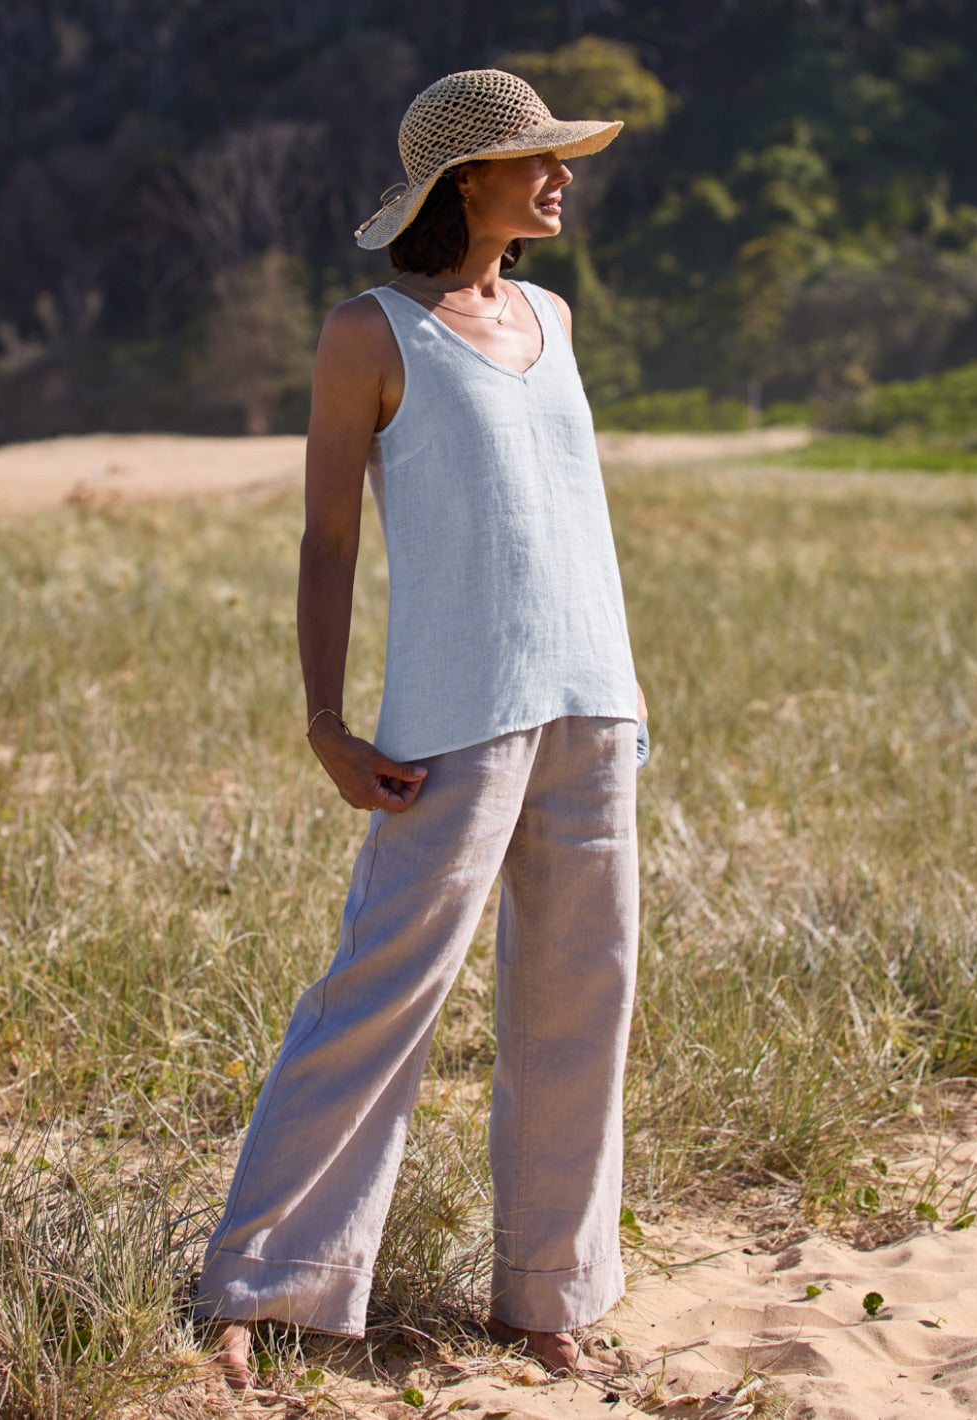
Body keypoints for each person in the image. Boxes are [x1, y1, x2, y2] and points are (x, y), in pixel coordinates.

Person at [195, 67, 649, 1387]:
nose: (560, 178)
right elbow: (327, 533)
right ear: (465, 183)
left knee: (581, 995)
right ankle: (264, 1283)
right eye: (536, 162)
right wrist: (324, 720)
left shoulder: (554, 318)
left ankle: (541, 1289)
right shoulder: (369, 332)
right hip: (449, 723)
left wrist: (619, 697)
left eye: (560, 159)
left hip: (591, 706)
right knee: (377, 994)